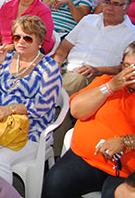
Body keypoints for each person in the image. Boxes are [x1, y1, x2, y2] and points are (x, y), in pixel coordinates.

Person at [42, 42, 135, 198]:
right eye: (126, 66)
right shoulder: (108, 81)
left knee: (119, 194)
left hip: (126, 170)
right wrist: (110, 87)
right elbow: (77, 110)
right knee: (55, 181)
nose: (129, 73)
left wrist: (125, 142)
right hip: (88, 159)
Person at [0, 15, 62, 182]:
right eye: (17, 37)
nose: (21, 42)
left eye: (27, 38)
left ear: (39, 41)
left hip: (31, 131)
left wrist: (9, 109)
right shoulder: (7, 58)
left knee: (0, 160)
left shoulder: (49, 67)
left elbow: (43, 106)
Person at [54, 0, 135, 95]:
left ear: (126, 8)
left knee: (75, 80)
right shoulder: (88, 20)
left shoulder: (131, 34)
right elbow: (65, 45)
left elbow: (126, 67)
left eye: (116, 4)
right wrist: (57, 63)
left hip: (97, 78)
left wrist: (99, 70)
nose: (110, 7)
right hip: (66, 68)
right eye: (107, 2)